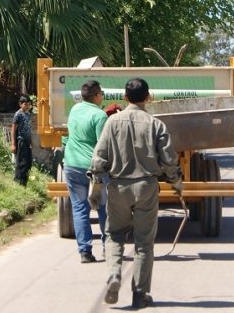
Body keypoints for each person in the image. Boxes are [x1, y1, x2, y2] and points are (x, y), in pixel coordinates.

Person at [89, 78, 181, 309]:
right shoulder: (155, 124)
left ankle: (113, 275)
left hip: (118, 186)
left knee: (114, 235)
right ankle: (140, 294)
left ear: (125, 97)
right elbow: (169, 159)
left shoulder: (112, 122)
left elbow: (99, 157)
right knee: (144, 242)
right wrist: (177, 182)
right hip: (146, 187)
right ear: (148, 97)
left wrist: (96, 185)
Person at [63, 80, 108, 263]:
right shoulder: (100, 116)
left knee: (80, 208)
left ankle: (84, 252)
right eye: (101, 94)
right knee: (104, 208)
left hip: (72, 165)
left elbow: (68, 136)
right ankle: (108, 248)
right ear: (97, 96)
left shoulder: (74, 110)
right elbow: (102, 146)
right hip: (93, 169)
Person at [11, 95, 33, 186]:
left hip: (27, 141)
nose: (27, 106)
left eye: (29, 104)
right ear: (20, 104)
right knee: (22, 162)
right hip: (21, 141)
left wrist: (31, 141)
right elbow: (13, 129)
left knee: (28, 162)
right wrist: (13, 144)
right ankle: (18, 182)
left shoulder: (28, 114)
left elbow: (29, 129)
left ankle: (24, 182)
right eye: (25, 104)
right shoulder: (18, 114)